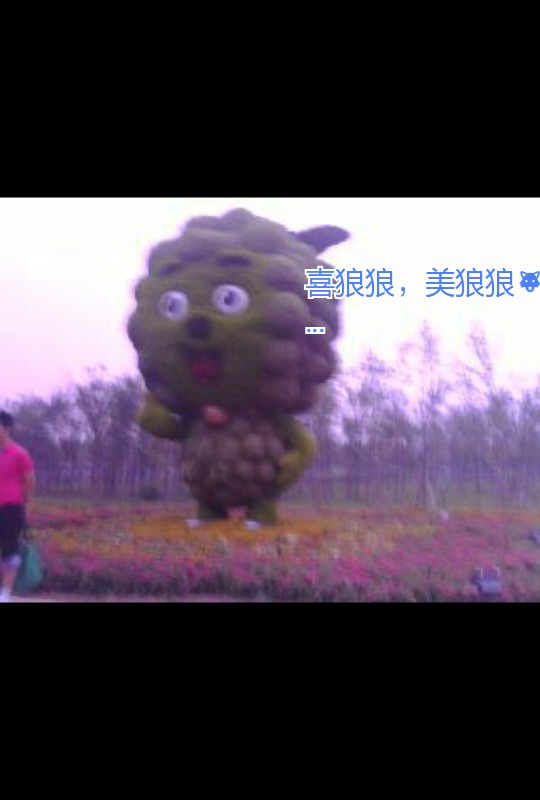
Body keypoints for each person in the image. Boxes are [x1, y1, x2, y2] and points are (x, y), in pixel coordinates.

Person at [0, 411, 36, 602]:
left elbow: (30, 482)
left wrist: (24, 507)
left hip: (11, 508)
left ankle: (5, 593)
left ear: (7, 429)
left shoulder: (19, 454)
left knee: (9, 549)